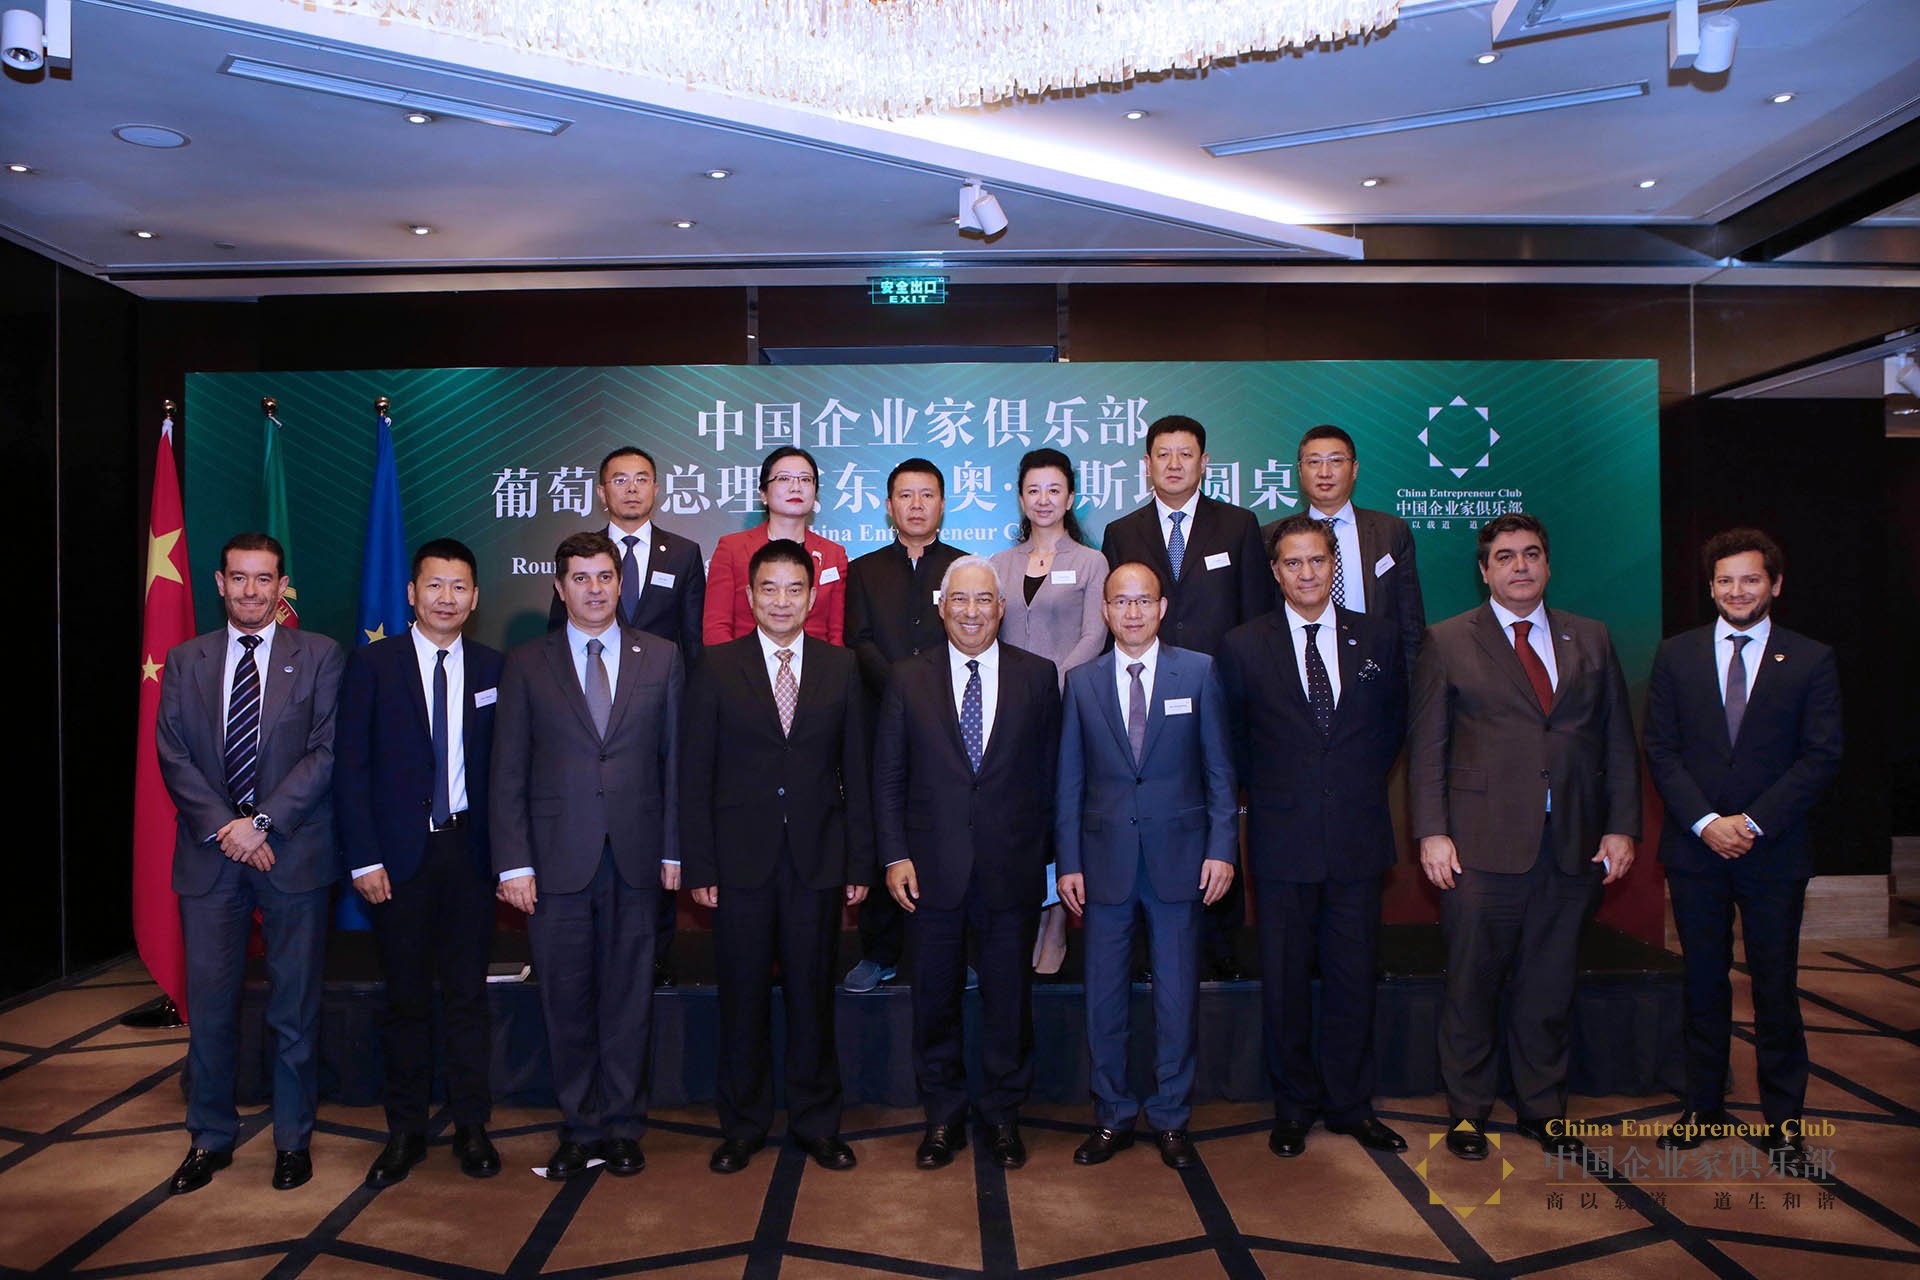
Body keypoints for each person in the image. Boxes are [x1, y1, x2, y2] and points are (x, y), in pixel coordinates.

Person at [1408, 513, 1639, 1164]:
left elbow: (1618, 741)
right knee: (1472, 985)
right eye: (1505, 556)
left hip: (1572, 844)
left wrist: (1621, 825)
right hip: (1478, 847)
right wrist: (1432, 833)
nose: (1520, 566)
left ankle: (1543, 1107)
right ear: (1483, 570)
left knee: (1549, 985)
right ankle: (1468, 1110)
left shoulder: (1589, 637)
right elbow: (1427, 750)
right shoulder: (1447, 640)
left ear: (1548, 564)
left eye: (1531, 554)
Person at [1644, 529, 1842, 1178]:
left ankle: (1785, 1124)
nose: (1737, 591)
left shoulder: (1810, 659)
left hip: (1773, 853)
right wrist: (1706, 823)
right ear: (1710, 587)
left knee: (1775, 989)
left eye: (1750, 579)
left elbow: (1821, 756)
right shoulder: (1676, 656)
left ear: (1775, 584)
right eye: (1725, 580)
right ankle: (1702, 1107)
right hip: (1696, 851)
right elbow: (1660, 749)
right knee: (1702, 984)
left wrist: (1752, 823)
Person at [154, 532, 345, 1195]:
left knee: (294, 1009)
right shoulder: (186, 660)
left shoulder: (319, 655)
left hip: (292, 853)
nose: (252, 591)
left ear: (282, 586)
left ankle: (293, 1139)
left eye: (265, 579)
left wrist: (260, 823)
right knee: (210, 1009)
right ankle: (209, 1136)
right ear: (219, 583)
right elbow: (173, 753)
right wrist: (227, 829)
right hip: (211, 858)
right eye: (239, 578)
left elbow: (325, 752)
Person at [492, 531, 683, 1179]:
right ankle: (579, 1128)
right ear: (559, 587)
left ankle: (625, 1127)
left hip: (637, 858)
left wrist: (675, 849)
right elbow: (508, 770)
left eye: (605, 576)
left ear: (620, 583)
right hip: (554, 864)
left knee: (630, 1000)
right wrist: (514, 863)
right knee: (566, 1001)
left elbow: (675, 763)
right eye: (580, 578)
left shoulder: (661, 657)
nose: (595, 589)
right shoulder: (527, 662)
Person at [680, 539, 874, 1175]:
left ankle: (817, 1123)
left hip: (817, 859)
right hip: (738, 863)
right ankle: (742, 1125)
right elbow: (695, 773)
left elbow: (857, 770)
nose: (782, 601)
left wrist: (859, 862)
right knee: (742, 998)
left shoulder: (840, 667)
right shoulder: (716, 666)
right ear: (749, 595)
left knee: (813, 996)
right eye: (769, 589)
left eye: (795, 589)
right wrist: (700, 865)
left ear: (813, 598)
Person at [1218, 516, 1408, 1160]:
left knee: (1354, 978)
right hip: (1281, 838)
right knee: (1286, 981)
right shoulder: (1244, 645)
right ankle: (1294, 1105)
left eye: (1317, 560)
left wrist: (1347, 785)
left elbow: (1392, 728)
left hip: (1357, 836)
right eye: (1293, 563)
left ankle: (1352, 1105)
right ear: (1275, 572)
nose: (1306, 573)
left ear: (1335, 566)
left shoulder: (1378, 637)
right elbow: (1235, 741)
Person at [874, 556, 1061, 1170]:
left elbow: (1052, 777)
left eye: (984, 600)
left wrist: (1051, 862)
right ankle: (943, 1117)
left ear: (1001, 608)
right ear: (941, 606)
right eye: (960, 599)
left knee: (1010, 1001)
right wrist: (895, 854)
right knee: (934, 1000)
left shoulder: (1038, 677)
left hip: (1012, 868)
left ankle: (1004, 1115)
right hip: (930, 871)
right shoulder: (908, 678)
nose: (972, 612)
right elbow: (888, 777)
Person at [1055, 562, 1236, 1169]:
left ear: (1162, 608)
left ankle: (1171, 1117)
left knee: (1177, 997)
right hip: (1102, 864)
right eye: (1120, 602)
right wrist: (1068, 861)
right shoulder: (1082, 681)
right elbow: (1069, 781)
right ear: (1105, 611)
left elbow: (1219, 771)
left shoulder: (1200, 671)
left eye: (1143, 601)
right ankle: (1111, 1115)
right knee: (1103, 999)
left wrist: (1221, 848)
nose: (1132, 612)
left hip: (1181, 861)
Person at [335, 539, 504, 1186]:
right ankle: (404, 1130)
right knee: (405, 1000)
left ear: (475, 597)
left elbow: (506, 770)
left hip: (469, 856)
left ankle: (472, 1126)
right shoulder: (372, 665)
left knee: (467, 997)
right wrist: (364, 858)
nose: (446, 598)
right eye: (434, 585)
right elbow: (350, 770)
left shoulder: (494, 668)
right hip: (398, 859)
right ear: (412, 593)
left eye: (459, 587)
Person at [1100, 414, 1269, 980]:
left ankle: (1221, 950)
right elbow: (1116, 619)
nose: (1174, 464)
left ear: (1204, 462)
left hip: (1218, 697)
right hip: (1143, 698)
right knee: (1150, 817)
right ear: (1146, 465)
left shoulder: (1239, 525)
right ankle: (1148, 952)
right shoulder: (1122, 531)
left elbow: (1255, 618)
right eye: (1163, 455)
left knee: (1218, 812)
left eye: (1185, 454)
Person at [546, 446, 707, 989]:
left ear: (657, 489)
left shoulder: (683, 553)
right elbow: (555, 642)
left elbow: (692, 640)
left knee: (652, 839)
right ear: (601, 491)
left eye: (642, 479)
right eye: (620, 480)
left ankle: (654, 959)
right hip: (589, 720)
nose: (632, 488)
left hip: (657, 714)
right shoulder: (578, 555)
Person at [842, 458, 967, 994]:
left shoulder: (964, 568)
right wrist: (902, 687)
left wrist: (926, 692)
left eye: (927, 495)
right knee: (882, 828)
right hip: (880, 718)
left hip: (951, 722)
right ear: (889, 506)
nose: (916, 505)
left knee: (948, 830)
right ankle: (880, 952)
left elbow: (972, 635)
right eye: (906, 496)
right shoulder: (864, 569)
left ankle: (956, 951)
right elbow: (858, 640)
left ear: (943, 504)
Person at [990, 447, 1109, 974]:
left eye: (1054, 490)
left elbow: (1094, 636)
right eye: (1033, 490)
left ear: (1070, 498)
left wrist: (1048, 685)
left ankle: (1058, 920)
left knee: (1065, 812)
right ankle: (1024, 918)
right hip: (1010, 715)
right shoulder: (999, 564)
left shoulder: (1090, 562)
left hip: (1069, 707)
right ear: (1021, 498)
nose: (1043, 499)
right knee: (1022, 815)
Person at [1261, 425, 1425, 676]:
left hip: (1377, 668)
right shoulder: (1272, 535)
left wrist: (1411, 682)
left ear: (1354, 469)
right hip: (1300, 668)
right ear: (1300, 471)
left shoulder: (1391, 531)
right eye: (1314, 462)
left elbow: (1410, 622)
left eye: (1336, 461)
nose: (1324, 472)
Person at [704, 445, 848, 646]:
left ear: (815, 493)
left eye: (805, 479)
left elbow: (836, 632)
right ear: (763, 494)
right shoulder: (732, 549)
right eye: (784, 478)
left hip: (816, 663)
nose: (796, 487)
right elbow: (716, 627)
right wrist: (738, 664)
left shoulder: (833, 554)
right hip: (745, 662)